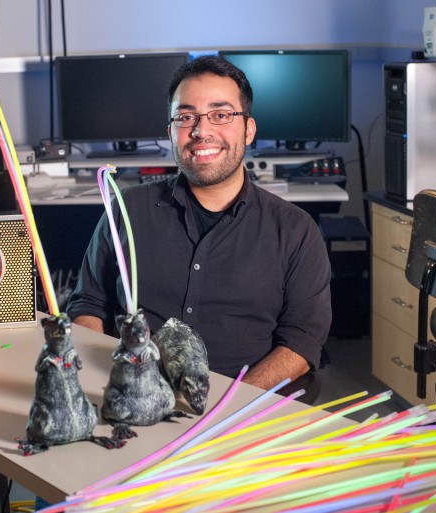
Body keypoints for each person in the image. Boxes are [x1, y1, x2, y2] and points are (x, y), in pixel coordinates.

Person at [66, 55, 332, 390]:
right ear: (170, 132)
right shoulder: (126, 210)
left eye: (220, 115)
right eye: (186, 117)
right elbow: (89, 304)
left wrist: (231, 404)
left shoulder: (295, 231)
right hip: (134, 397)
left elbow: (302, 342)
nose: (201, 131)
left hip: (239, 410)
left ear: (248, 130)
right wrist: (100, 381)